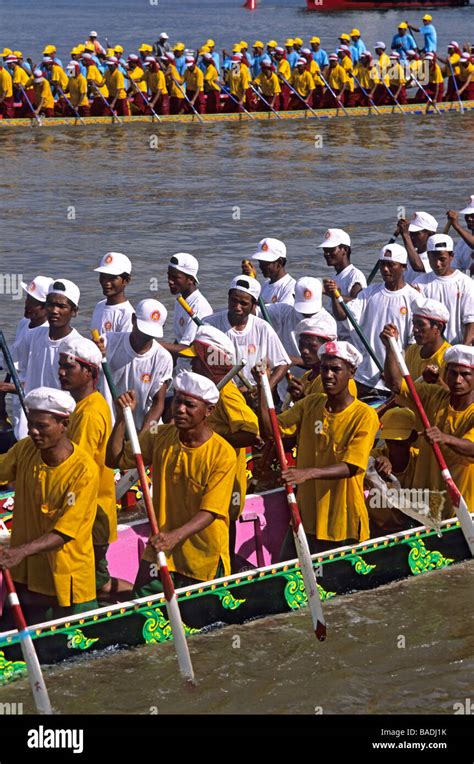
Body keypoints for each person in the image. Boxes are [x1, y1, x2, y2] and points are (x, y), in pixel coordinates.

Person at [106, 371, 237, 596]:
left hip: (202, 557)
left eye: (189, 405)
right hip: (160, 549)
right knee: (144, 615)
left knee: (202, 626)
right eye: (177, 401)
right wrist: (120, 418)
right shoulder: (161, 435)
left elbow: (211, 511)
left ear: (209, 411)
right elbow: (114, 460)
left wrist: (175, 536)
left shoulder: (222, 454)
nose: (180, 409)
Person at [256, 340, 379, 557]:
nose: (328, 375)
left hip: (341, 521)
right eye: (324, 369)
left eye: (335, 369)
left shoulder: (365, 415)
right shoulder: (311, 403)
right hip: (306, 516)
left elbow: (351, 466)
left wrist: (307, 473)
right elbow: (271, 431)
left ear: (352, 372)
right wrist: (264, 386)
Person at [0, 387, 99, 626]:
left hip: (64, 579)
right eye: (31, 424)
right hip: (26, 573)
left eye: (42, 426)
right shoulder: (26, 449)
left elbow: (64, 532)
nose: (33, 432)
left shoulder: (83, 471)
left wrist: (20, 551)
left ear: (64, 424)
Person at [179, 326, 260, 566]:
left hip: (225, 483)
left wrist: (213, 438)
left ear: (209, 363)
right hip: (205, 479)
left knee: (222, 537)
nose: (192, 367)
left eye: (196, 362)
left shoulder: (226, 393)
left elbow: (250, 433)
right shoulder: (205, 396)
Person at [58, 336, 130, 600]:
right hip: (92, 511)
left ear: (88, 371)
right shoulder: (83, 405)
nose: (61, 373)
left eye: (69, 367)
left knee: (94, 582)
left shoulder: (89, 413)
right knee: (96, 581)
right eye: (60, 366)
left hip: (91, 513)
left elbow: (76, 469)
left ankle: (139, 600)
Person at [381, 329, 473, 519]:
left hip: (462, 510)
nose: (458, 380)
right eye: (453, 373)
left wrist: (445, 438)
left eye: (465, 375)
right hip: (426, 505)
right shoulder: (433, 395)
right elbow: (397, 385)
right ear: (445, 373)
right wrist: (391, 347)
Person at [327, 243, 418, 396]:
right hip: (364, 377)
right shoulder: (369, 293)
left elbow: (413, 346)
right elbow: (343, 315)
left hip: (394, 380)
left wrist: (394, 370)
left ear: (403, 267)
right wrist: (334, 297)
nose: (385, 269)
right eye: (382, 264)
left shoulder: (414, 299)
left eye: (391, 265)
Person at [203, 275, 290, 390]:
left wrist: (265, 388)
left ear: (253, 305)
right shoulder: (209, 325)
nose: (237, 307)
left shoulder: (263, 328)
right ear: (228, 298)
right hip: (219, 392)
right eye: (234, 300)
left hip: (253, 392)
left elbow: (283, 363)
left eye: (243, 303)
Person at [100, 299, 173, 432]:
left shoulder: (163, 358)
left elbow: (158, 402)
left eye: (151, 332)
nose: (145, 335)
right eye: (143, 329)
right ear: (133, 319)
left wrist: (142, 438)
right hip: (109, 425)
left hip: (141, 426)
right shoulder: (108, 342)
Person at [266, 277, 336, 399]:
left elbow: (329, 360)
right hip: (287, 389)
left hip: (316, 388)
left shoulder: (327, 322)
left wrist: (294, 360)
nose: (308, 313)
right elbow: (253, 312)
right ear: (293, 297)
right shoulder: (284, 311)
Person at [412, 234, 474, 345]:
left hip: (457, 347)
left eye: (442, 259)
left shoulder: (466, 283)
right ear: (428, 256)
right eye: (433, 258)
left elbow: (471, 321)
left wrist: (463, 351)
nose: (437, 264)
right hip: (429, 349)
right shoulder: (419, 283)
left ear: (452, 256)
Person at [367, 407, 419, 534]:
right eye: (390, 441)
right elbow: (362, 461)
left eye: (398, 441)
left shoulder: (419, 459)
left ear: (411, 437)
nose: (393, 446)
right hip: (380, 530)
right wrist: (376, 462)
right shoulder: (376, 455)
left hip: (414, 526)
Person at [160, 252, 213, 362]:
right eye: (169, 276)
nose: (170, 281)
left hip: (194, 371)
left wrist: (153, 345)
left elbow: (187, 349)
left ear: (191, 280)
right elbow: (180, 340)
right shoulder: (181, 301)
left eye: (175, 277)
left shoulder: (199, 306)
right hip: (181, 368)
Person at [320, 228, 366, 340]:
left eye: (331, 250)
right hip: (337, 336)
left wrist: (333, 294)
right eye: (325, 250)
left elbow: (360, 303)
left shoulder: (355, 276)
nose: (326, 254)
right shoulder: (335, 276)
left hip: (351, 339)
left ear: (344, 249)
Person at [405, 298, 451, 383]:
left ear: (438, 327)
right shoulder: (412, 350)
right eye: (414, 324)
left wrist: (437, 381)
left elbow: (451, 394)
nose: (415, 329)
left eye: (420, 324)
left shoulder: (449, 358)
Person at [91, 252, 134, 335]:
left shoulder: (127, 314)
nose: (106, 282)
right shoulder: (99, 306)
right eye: (103, 276)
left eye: (112, 278)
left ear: (126, 280)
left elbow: (124, 346)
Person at [395, 210, 438, 282]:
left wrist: (405, 235)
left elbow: (418, 266)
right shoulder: (407, 254)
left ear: (430, 234)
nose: (411, 236)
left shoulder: (436, 256)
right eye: (410, 233)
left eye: (416, 233)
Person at [251, 237, 295, 304]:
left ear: (279, 263)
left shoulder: (290, 287)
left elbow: (283, 311)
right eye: (260, 262)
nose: (260, 266)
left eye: (265, 263)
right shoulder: (265, 285)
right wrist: (250, 281)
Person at [448, 195, 474, 276]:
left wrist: (456, 225)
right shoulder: (462, 243)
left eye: (473, 215)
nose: (469, 218)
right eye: (467, 215)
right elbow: (454, 268)